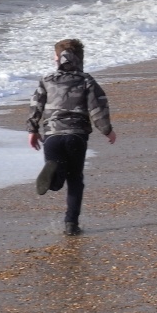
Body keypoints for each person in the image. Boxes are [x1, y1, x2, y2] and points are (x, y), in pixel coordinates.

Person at [26, 38, 116, 236]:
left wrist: (32, 130)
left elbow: (36, 106)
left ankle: (53, 173)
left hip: (52, 136)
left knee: (57, 178)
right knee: (75, 179)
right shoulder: (86, 80)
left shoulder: (46, 80)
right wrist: (107, 130)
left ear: (57, 58)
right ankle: (70, 224)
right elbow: (97, 106)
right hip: (76, 136)